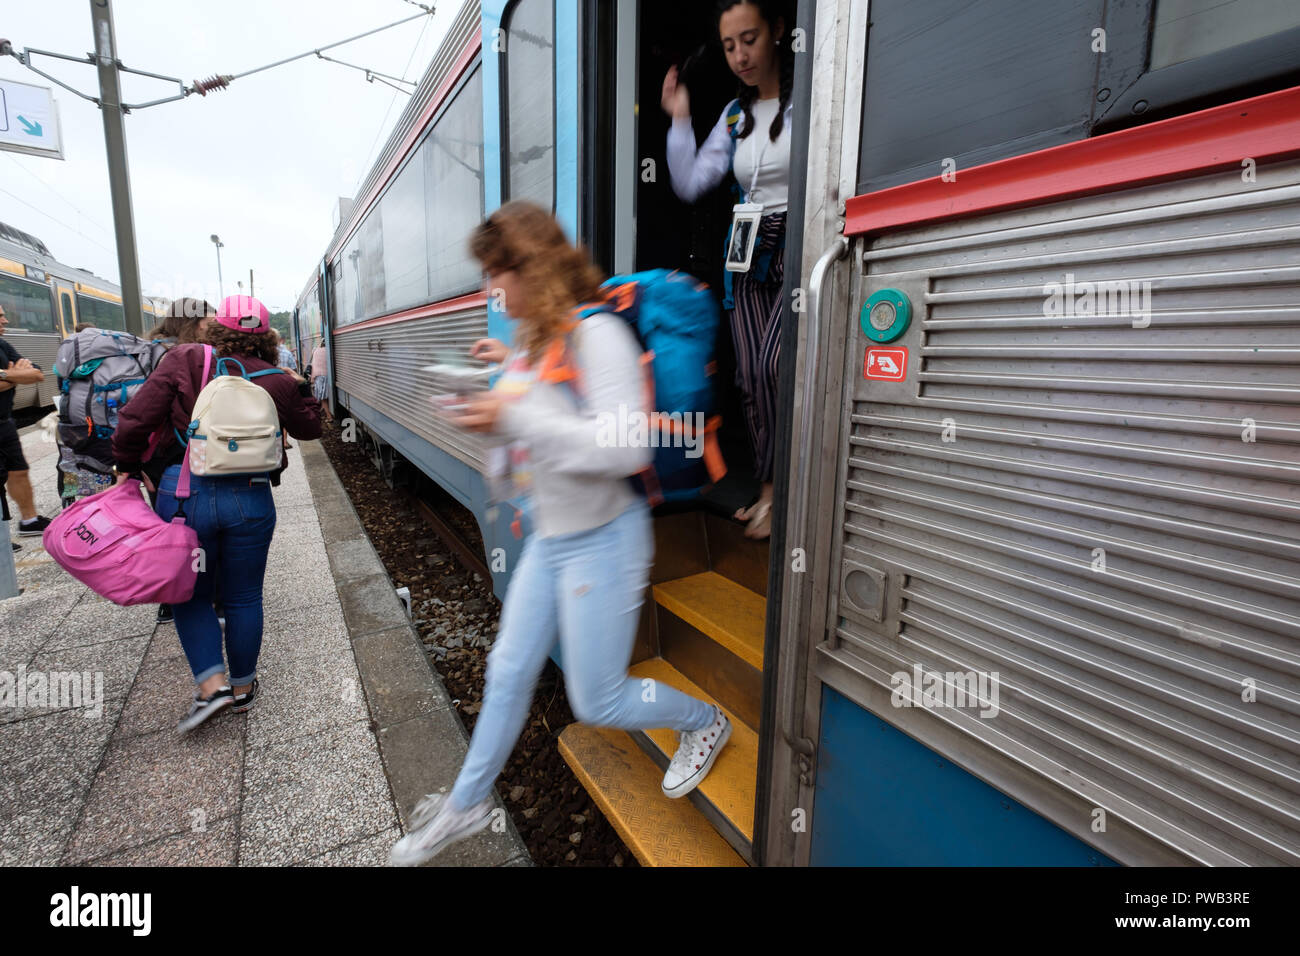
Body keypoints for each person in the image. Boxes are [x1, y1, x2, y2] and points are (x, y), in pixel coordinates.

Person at [389, 202, 733, 866]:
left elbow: (626, 445)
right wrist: (491, 409)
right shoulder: (531, 341)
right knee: (510, 668)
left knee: (596, 698)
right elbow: (529, 432)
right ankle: (467, 804)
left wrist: (512, 418)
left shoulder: (598, 335)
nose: (493, 291)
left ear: (533, 267)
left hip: (606, 539)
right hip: (553, 538)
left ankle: (703, 721)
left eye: (498, 274)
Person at [112, 295, 322, 733]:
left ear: (215, 328)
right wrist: (301, 387)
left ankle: (212, 687)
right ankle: (243, 689)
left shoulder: (185, 359)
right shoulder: (274, 379)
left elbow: (135, 420)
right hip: (251, 498)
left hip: (185, 496)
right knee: (245, 595)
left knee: (189, 592)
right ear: (266, 336)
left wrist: (127, 467)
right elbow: (311, 429)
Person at [662, 0, 794, 539]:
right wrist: (679, 118)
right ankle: (768, 491)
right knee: (747, 379)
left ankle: (793, 489)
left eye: (750, 38)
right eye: (729, 45)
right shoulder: (735, 116)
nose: (740, 55)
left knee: (772, 368)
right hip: (746, 253)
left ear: (779, 32)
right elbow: (691, 183)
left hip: (799, 243)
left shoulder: (811, 98)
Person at [0, 303, 52, 542]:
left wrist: (5, 376)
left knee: (18, 470)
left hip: (5, 422)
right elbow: (24, 376)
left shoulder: (2, 345)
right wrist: (14, 376)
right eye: (0, 316)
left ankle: (29, 521)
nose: (5, 321)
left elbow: (37, 374)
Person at [309, 339, 332, 423]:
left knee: (322, 398)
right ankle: (326, 412)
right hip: (328, 376)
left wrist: (312, 378)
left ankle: (329, 416)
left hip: (319, 376)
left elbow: (313, 365)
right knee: (325, 397)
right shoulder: (329, 351)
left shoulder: (316, 351)